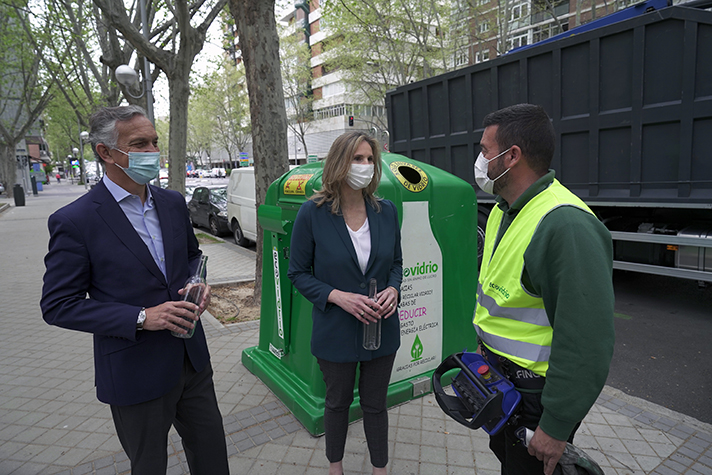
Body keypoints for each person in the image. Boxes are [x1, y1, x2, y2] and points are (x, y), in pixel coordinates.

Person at [40, 105, 229, 475]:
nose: (151, 152)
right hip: (134, 371)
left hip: (192, 360)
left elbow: (192, 256)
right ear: (106, 152)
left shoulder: (172, 202)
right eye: (139, 144)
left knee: (212, 459)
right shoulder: (75, 221)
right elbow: (58, 305)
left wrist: (197, 282)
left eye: (154, 142)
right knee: (148, 466)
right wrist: (142, 317)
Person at [472, 104, 615, 475]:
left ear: (512, 156)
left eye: (486, 151)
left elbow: (585, 341)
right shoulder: (507, 209)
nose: (481, 161)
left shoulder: (565, 225)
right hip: (503, 385)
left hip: (535, 399)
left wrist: (555, 426)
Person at [288, 132, 402, 475]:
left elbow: (396, 263)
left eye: (370, 159)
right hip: (335, 328)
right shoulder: (313, 213)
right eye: (357, 159)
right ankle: (335, 467)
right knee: (337, 403)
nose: (365, 166)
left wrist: (394, 289)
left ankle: (380, 468)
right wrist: (336, 296)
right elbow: (297, 272)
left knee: (375, 404)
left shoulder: (386, 211)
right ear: (339, 162)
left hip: (381, 327)